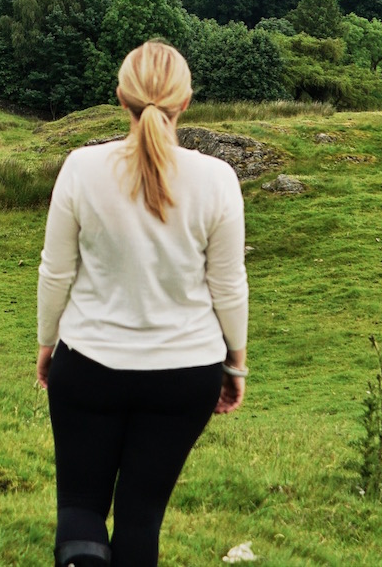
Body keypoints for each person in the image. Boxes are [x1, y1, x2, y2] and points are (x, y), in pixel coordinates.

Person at [36, 41, 248, 567]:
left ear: (119, 97)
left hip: (88, 362)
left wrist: (47, 343)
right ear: (187, 102)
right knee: (140, 519)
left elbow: (56, 270)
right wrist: (235, 363)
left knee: (81, 505)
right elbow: (228, 285)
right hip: (185, 373)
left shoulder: (81, 168)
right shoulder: (218, 179)